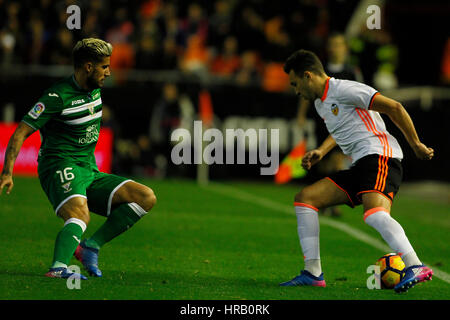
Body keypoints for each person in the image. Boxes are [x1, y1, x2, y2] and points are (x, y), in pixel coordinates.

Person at [0, 38, 157, 280]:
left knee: (145, 197)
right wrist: (7, 172)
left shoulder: (95, 90)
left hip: (89, 169)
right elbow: (21, 131)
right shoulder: (56, 96)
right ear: (87, 67)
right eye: (104, 66)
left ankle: (89, 247)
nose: (109, 72)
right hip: (58, 166)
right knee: (80, 215)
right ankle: (58, 268)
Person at [280, 49, 434, 293]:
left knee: (373, 214)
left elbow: (394, 107)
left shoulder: (345, 89)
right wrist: (321, 150)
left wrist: (416, 144)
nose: (296, 90)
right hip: (361, 164)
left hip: (381, 156)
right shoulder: (321, 103)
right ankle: (312, 272)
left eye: (295, 83)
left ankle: (414, 265)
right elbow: (341, 127)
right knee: (305, 199)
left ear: (308, 76)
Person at [296, 33, 363, 217]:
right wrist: (301, 114)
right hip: (322, 119)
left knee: (337, 160)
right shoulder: (321, 69)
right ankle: (324, 200)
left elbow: (360, 94)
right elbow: (307, 90)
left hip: (343, 122)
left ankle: (333, 203)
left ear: (345, 48)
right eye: (332, 44)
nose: (335, 48)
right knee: (323, 162)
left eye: (339, 45)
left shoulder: (351, 71)